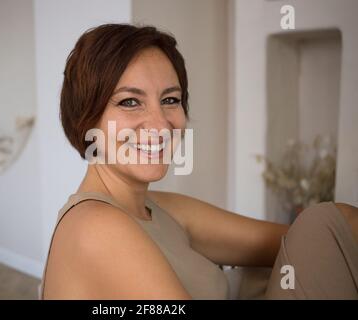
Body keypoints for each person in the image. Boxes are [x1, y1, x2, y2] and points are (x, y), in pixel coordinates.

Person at [41, 23, 358, 299]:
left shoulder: (159, 209)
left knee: (330, 222)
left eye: (170, 100)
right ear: (87, 120)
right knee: (324, 222)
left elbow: (308, 242)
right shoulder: (95, 226)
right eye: (130, 102)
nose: (161, 123)